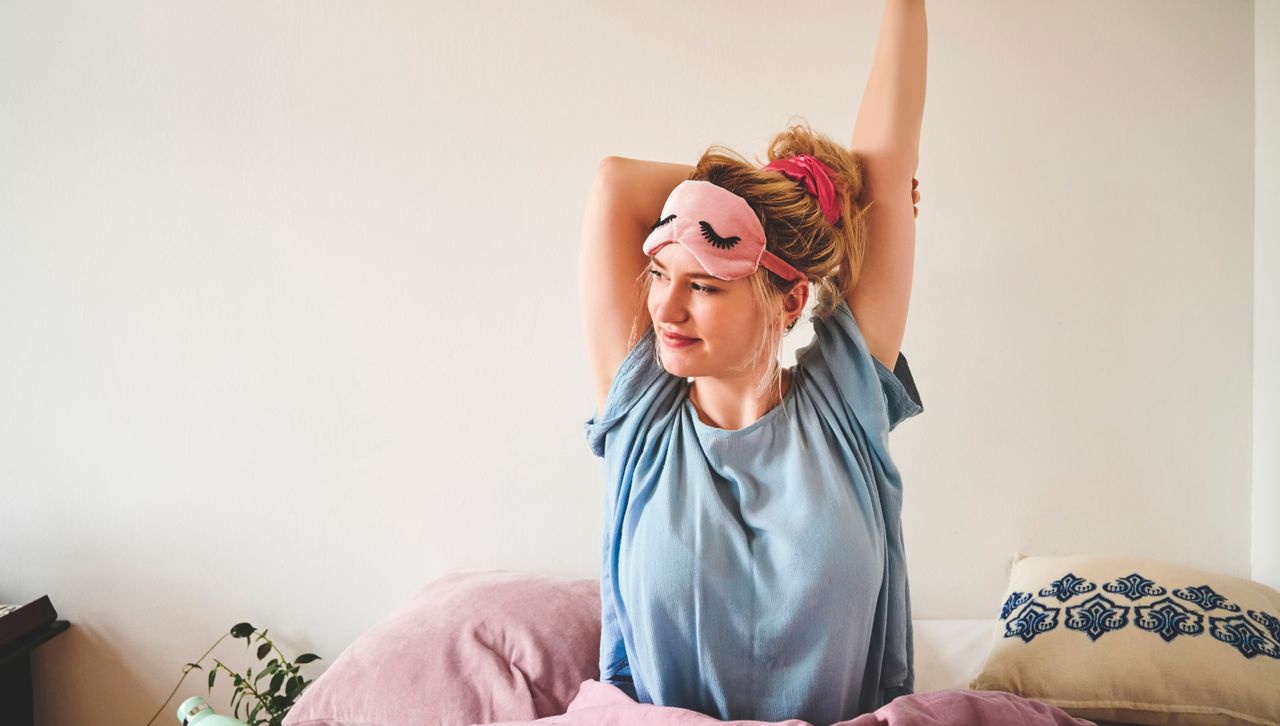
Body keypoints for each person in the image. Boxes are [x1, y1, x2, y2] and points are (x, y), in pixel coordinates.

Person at [577, 1, 927, 722]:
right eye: (660, 276)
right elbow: (614, 183)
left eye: (703, 285)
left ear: (791, 300)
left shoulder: (844, 403)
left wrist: (828, 210)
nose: (666, 311)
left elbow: (886, 169)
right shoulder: (643, 415)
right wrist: (788, 204)